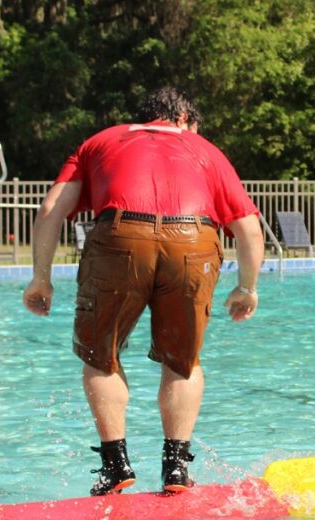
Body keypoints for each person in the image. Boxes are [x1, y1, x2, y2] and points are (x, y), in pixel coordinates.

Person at [23, 86, 264, 496]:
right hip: (194, 241)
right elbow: (248, 229)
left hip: (119, 238)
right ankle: (176, 469)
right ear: (184, 120)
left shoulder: (101, 141)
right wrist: (247, 287)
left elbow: (51, 210)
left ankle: (115, 467)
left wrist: (40, 277)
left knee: (102, 355)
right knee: (182, 361)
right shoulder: (203, 149)